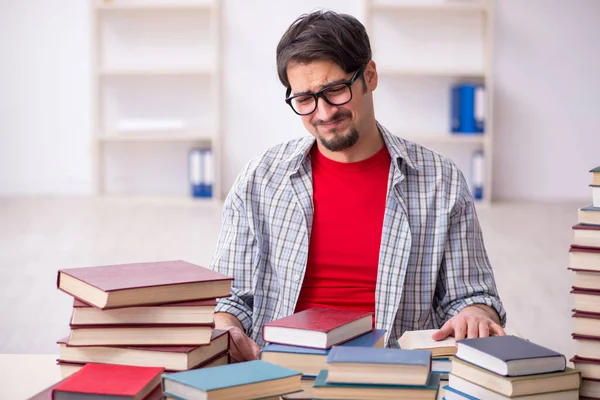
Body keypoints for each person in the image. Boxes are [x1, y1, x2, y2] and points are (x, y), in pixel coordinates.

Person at [210, 10, 506, 363]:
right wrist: (225, 325)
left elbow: (471, 297)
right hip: (279, 371)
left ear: (369, 75)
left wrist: (475, 314)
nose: (322, 113)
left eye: (334, 90)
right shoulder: (259, 179)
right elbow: (231, 300)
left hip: (394, 372)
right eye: (304, 99)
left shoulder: (440, 181)